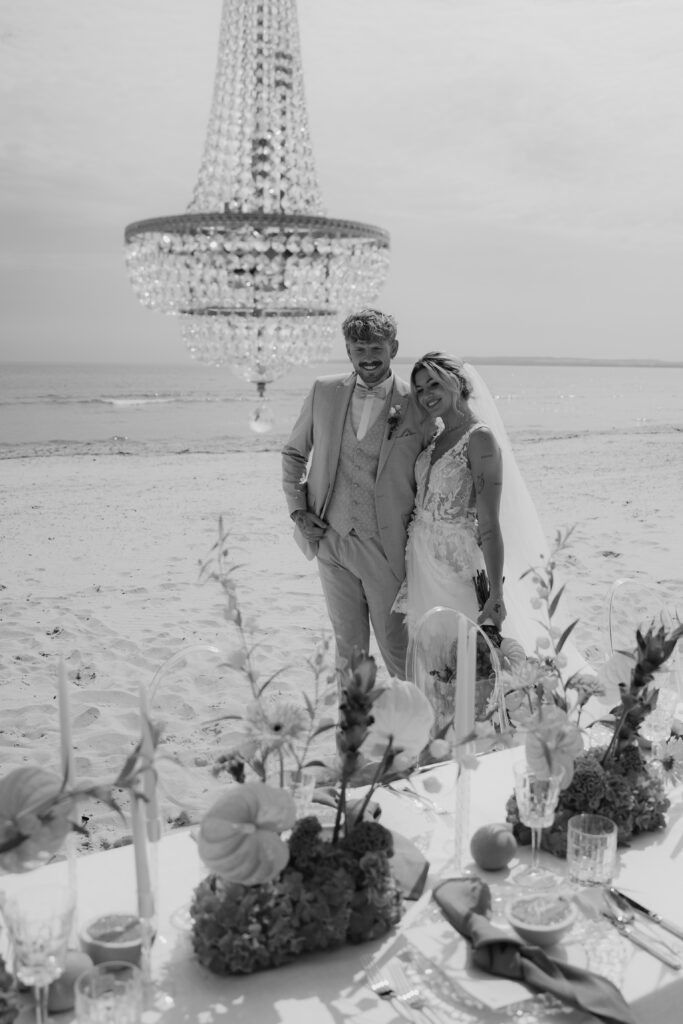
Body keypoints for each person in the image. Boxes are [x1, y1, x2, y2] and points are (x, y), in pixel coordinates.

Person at [395, 352, 589, 679]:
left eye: (434, 384)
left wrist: (496, 595)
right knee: (437, 668)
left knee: (471, 666)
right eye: (419, 389)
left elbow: (488, 522)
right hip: (422, 565)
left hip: (457, 569)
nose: (426, 395)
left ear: (457, 383)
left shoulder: (479, 439)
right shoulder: (437, 437)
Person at [282, 308, 434, 678]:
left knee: (398, 651)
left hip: (386, 547)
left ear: (393, 347)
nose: (368, 357)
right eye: (359, 348)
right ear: (348, 351)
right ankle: (351, 736)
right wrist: (298, 510)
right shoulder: (324, 391)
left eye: (375, 348)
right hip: (331, 542)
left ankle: (421, 729)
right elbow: (294, 453)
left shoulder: (416, 402)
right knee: (349, 656)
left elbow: (433, 470)